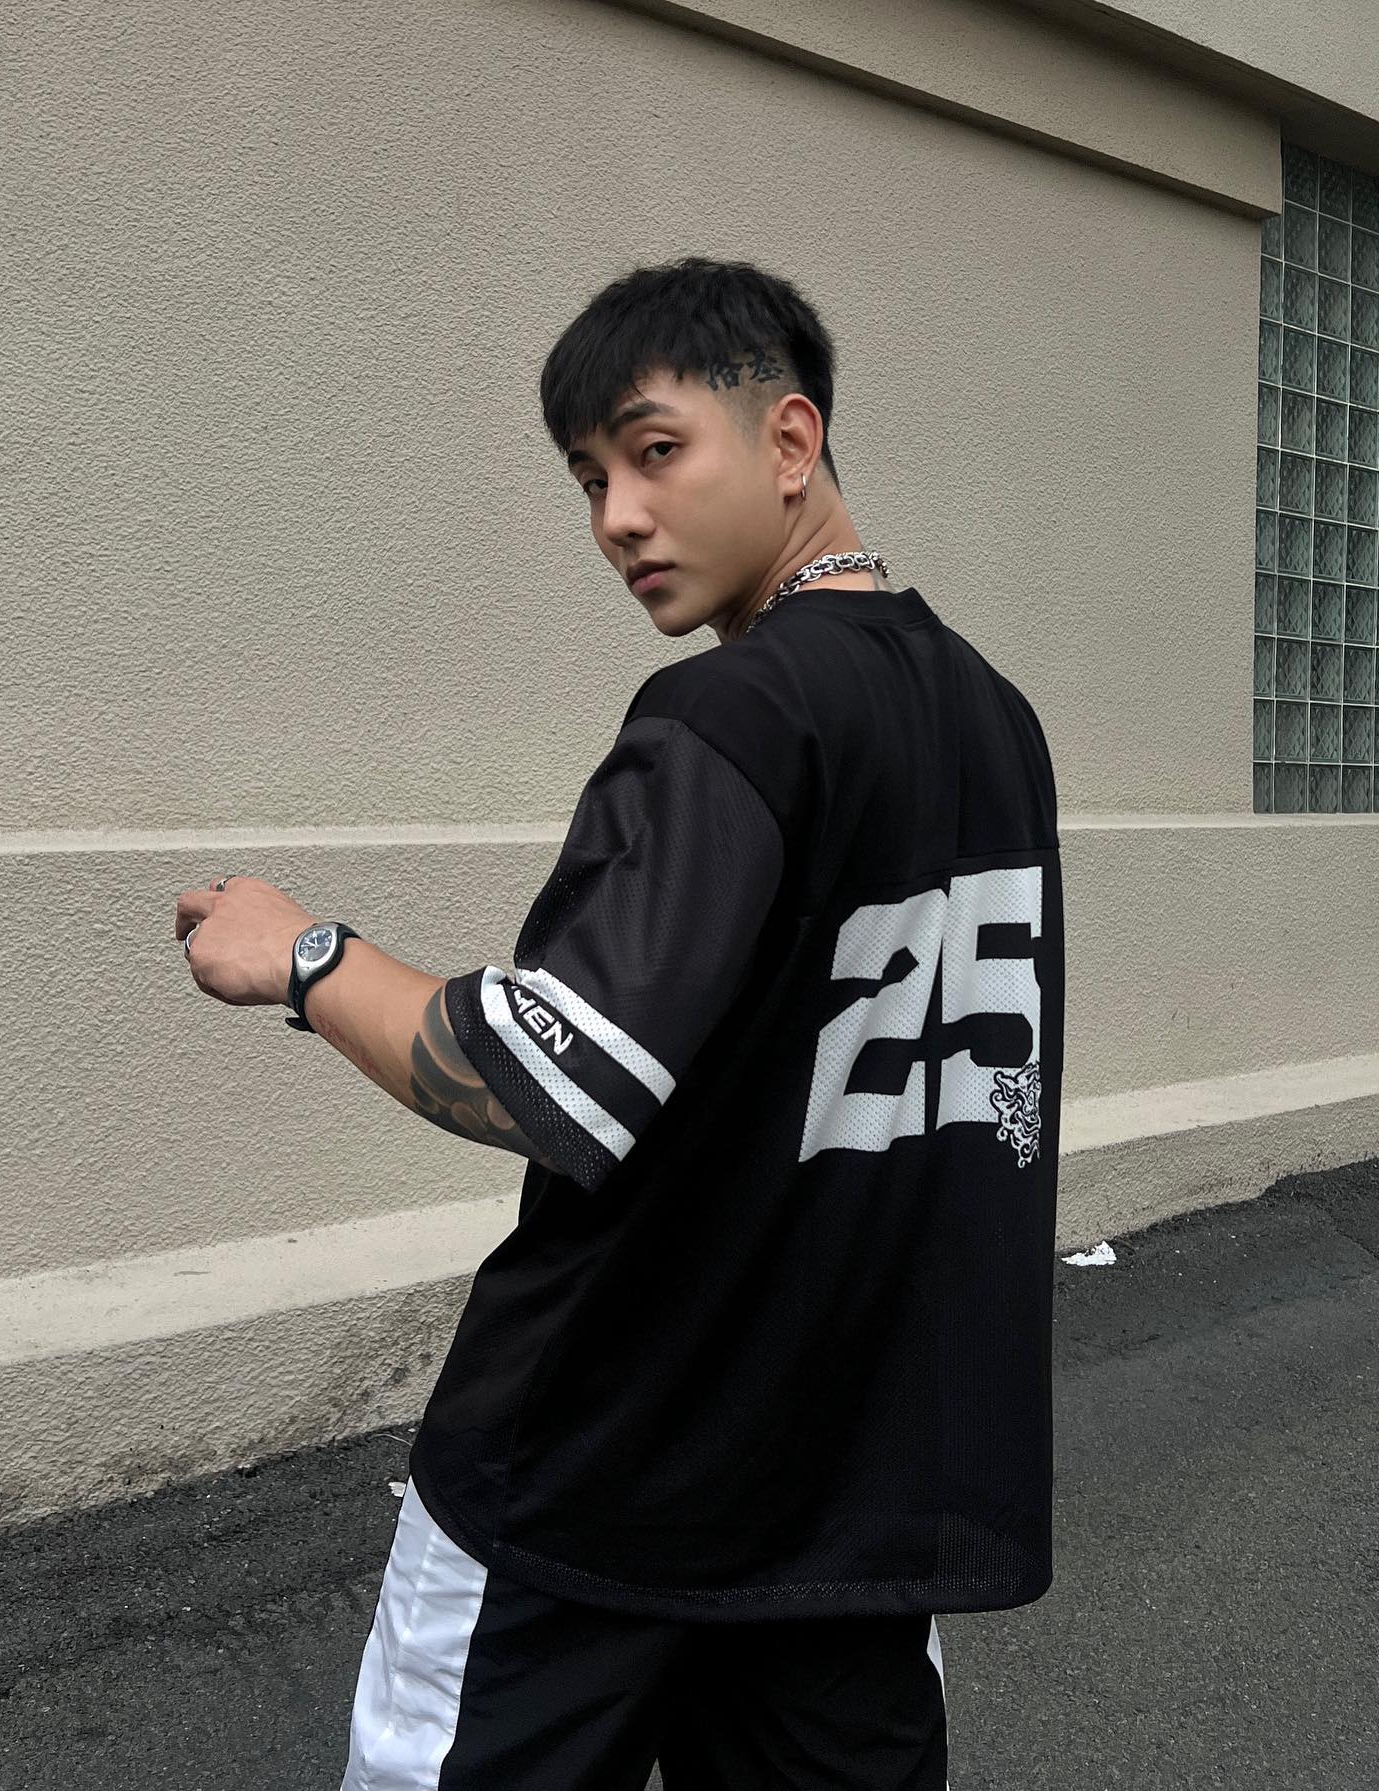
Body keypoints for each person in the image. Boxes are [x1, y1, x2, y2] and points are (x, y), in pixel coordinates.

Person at [177, 254, 1065, 1790]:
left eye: (656, 453)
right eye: (591, 478)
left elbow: (546, 1079)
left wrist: (307, 956)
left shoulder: (733, 714)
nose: (618, 519)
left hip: (596, 1477)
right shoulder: (998, 719)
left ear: (790, 442)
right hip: (851, 1500)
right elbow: (990, 1106)